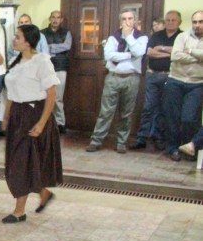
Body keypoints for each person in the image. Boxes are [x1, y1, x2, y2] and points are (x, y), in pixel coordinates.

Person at [1, 24, 62, 223]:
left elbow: (51, 93)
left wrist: (42, 123)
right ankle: (43, 193)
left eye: (17, 37)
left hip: (33, 114)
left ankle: (19, 211)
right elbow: (11, 94)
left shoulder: (42, 61)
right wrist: (7, 117)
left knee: (22, 163)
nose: (14, 40)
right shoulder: (15, 61)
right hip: (18, 115)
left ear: (28, 42)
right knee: (18, 162)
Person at [85, 9, 148, 154]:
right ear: (121, 21)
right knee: (106, 111)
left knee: (126, 113)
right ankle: (96, 141)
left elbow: (139, 52)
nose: (127, 21)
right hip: (113, 77)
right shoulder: (113, 37)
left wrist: (128, 38)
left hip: (131, 78)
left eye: (130, 18)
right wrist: (129, 55)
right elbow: (108, 55)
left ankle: (121, 142)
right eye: (124, 19)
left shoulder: (141, 37)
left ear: (135, 20)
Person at [132, 10, 182, 151]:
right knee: (148, 107)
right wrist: (169, 53)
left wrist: (161, 49)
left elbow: (178, 54)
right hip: (152, 76)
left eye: (173, 20)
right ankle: (141, 138)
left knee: (163, 109)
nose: (170, 22)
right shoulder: (157, 35)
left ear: (179, 22)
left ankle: (159, 137)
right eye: (168, 20)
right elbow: (149, 52)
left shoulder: (181, 36)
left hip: (170, 77)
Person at [163, 10, 203, 162]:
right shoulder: (182, 36)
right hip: (175, 81)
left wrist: (191, 51)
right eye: (195, 22)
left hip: (197, 83)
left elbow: (182, 55)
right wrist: (199, 58)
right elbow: (175, 56)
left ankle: (188, 147)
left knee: (189, 118)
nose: (197, 25)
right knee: (172, 117)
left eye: (200, 22)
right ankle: (173, 148)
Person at [41, 10, 72, 133]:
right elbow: (40, 48)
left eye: (58, 17)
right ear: (50, 18)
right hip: (45, 67)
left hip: (60, 66)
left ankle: (60, 123)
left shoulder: (66, 33)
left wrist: (50, 47)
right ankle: (45, 122)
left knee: (58, 97)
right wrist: (53, 48)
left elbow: (67, 46)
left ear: (61, 20)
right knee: (44, 96)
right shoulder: (42, 33)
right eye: (53, 17)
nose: (55, 20)